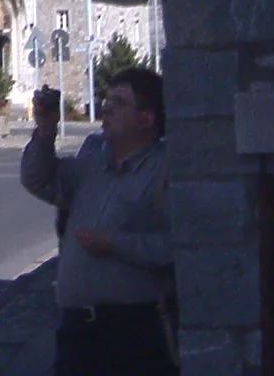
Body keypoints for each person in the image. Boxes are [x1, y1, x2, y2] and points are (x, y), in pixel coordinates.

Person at [21, 68, 178, 375]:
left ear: (146, 118)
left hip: (134, 332)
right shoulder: (93, 165)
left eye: (119, 103)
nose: (106, 108)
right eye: (107, 99)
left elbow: (176, 248)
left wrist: (115, 244)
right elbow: (38, 180)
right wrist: (45, 131)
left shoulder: (164, 171)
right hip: (79, 330)